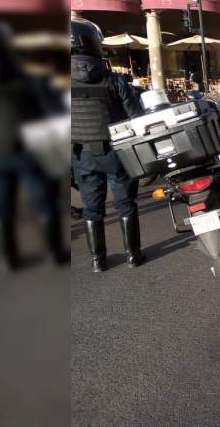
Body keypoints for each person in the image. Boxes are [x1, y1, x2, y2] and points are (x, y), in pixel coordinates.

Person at [0, 20, 69, 270]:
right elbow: (51, 113)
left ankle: (8, 257)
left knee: (0, 208)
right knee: (45, 203)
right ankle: (55, 251)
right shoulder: (25, 77)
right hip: (29, 150)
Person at [71, 17, 144, 272]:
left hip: (80, 154)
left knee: (92, 208)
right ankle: (133, 255)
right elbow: (136, 117)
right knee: (126, 203)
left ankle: (97, 261)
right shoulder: (115, 80)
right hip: (116, 152)